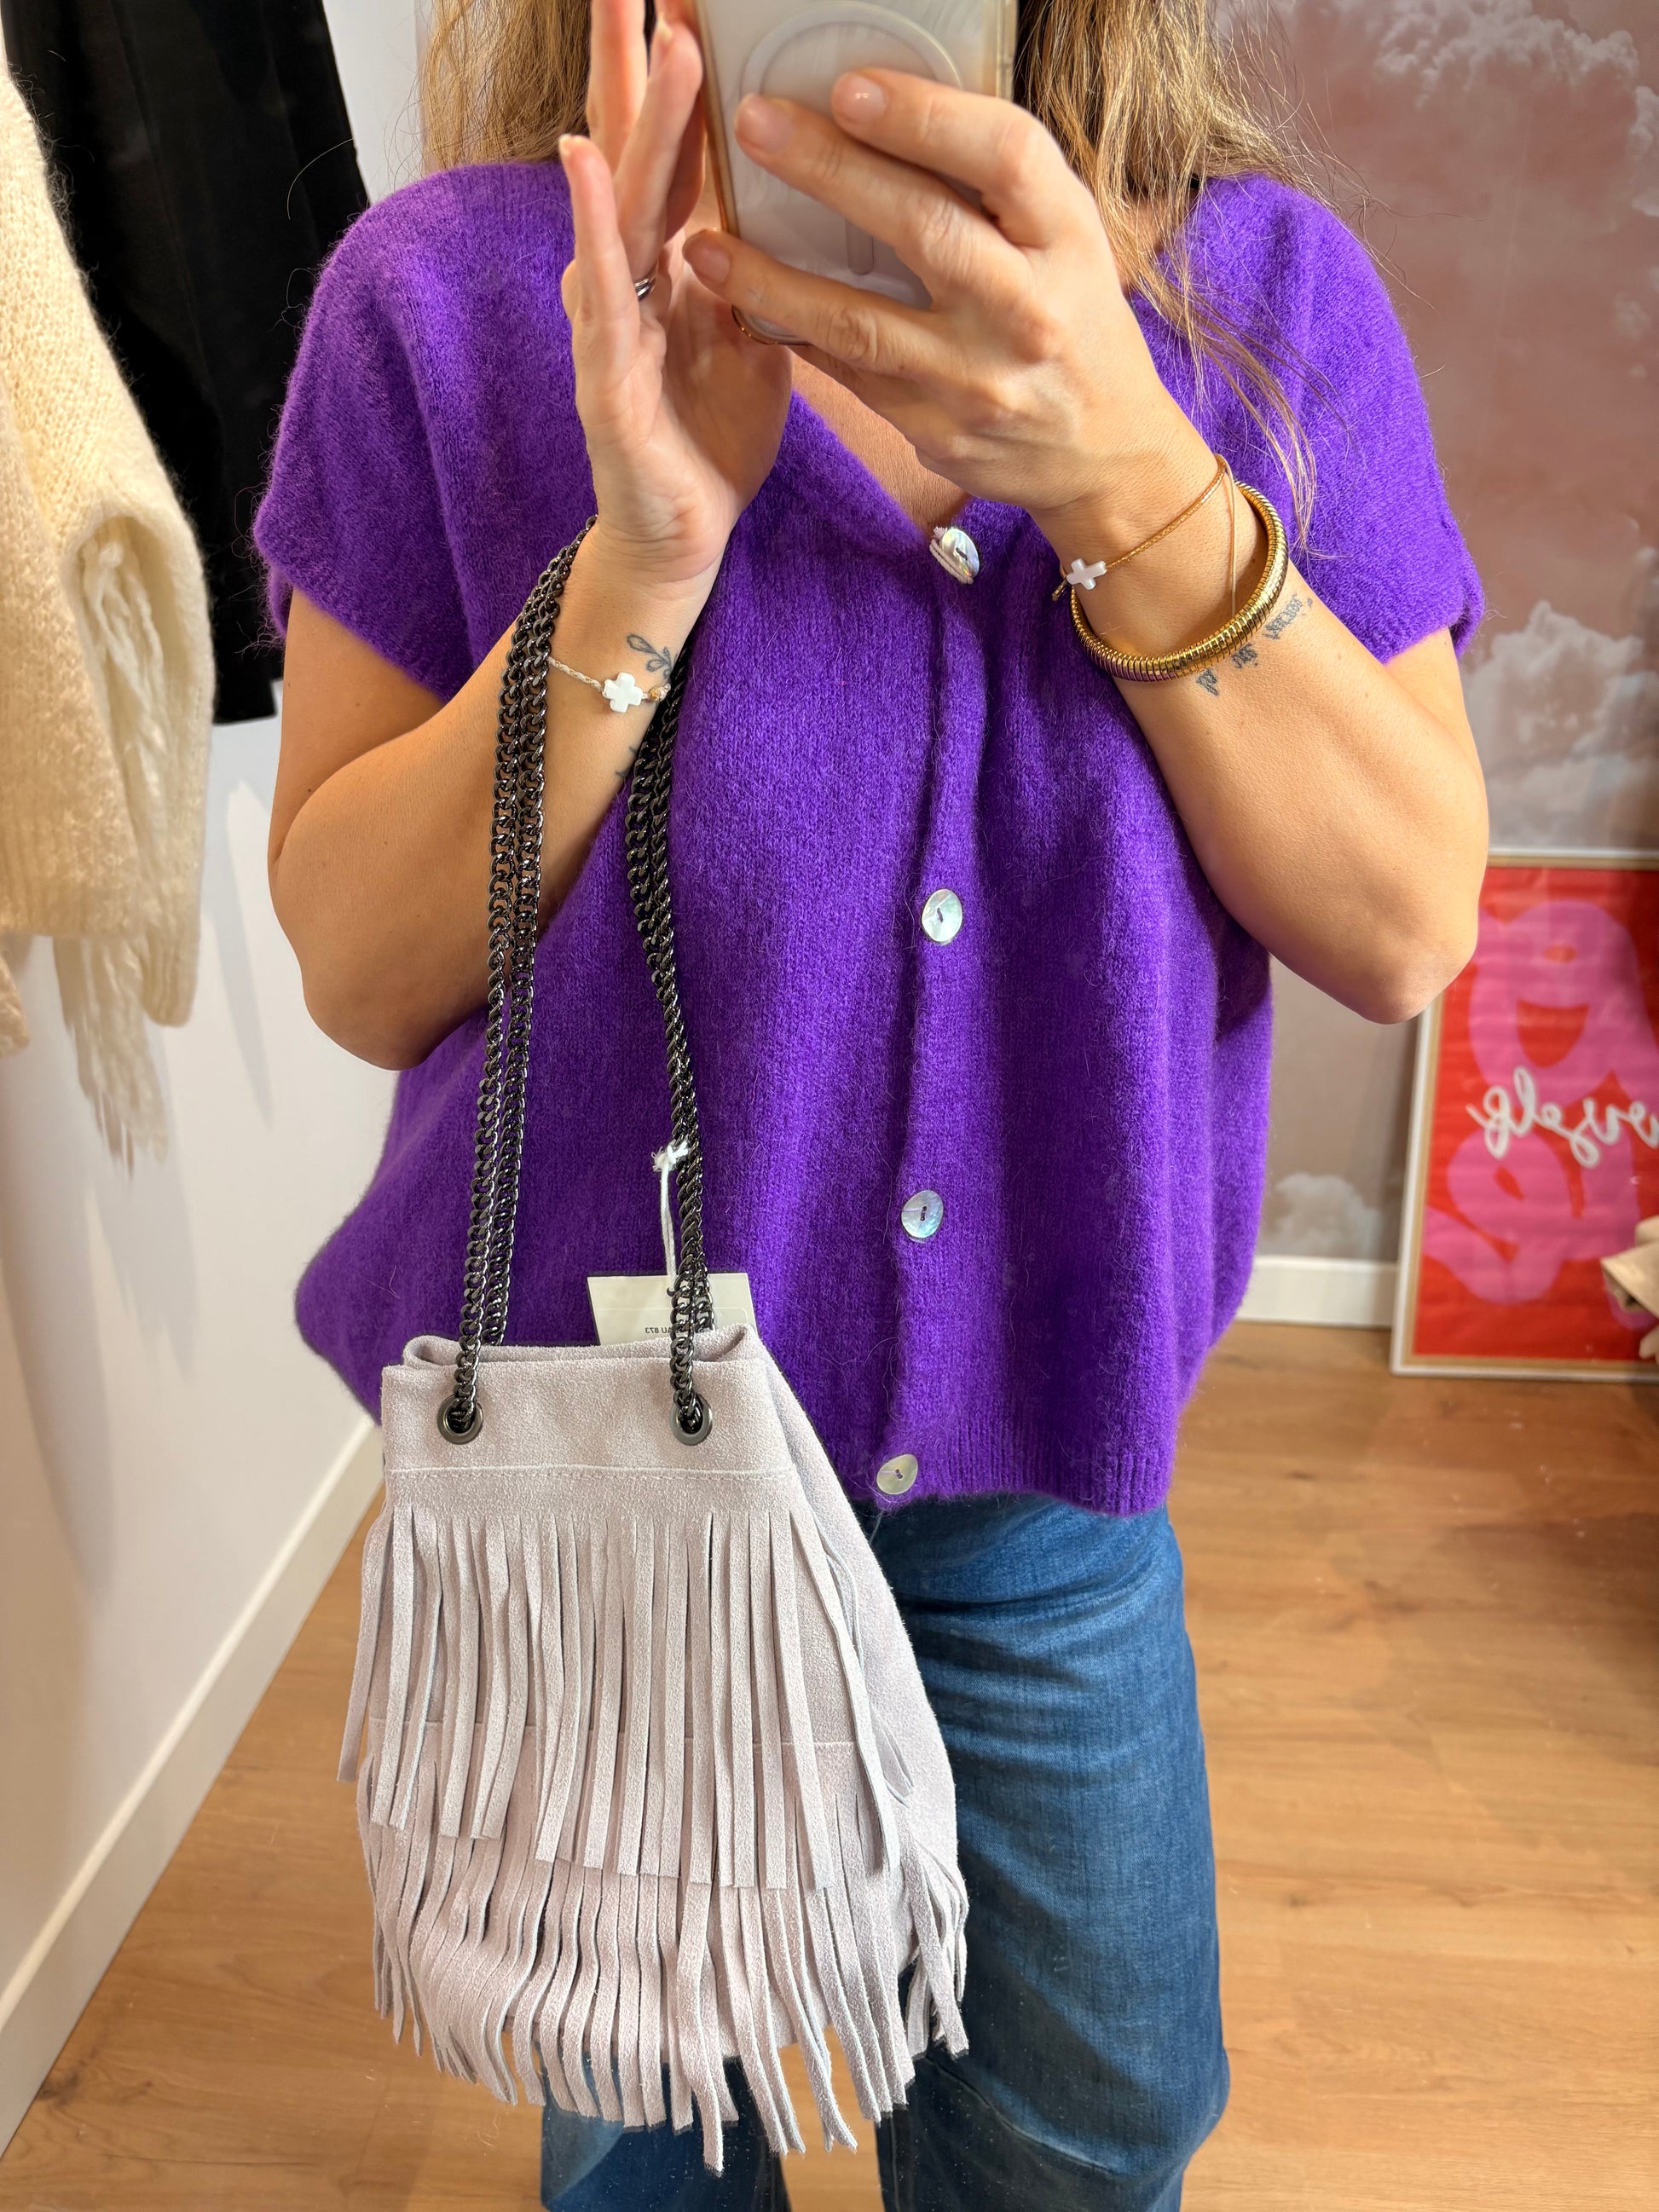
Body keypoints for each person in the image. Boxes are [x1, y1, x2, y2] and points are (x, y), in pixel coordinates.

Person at [255, 0, 1487, 2203]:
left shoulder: (1258, 307)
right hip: (617, 1491)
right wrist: (642, 559)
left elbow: (1404, 922)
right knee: (651, 2136)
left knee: (1090, 2127)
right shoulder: (440, 305)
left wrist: (1125, 474)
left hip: (1045, 1483)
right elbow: (359, 960)